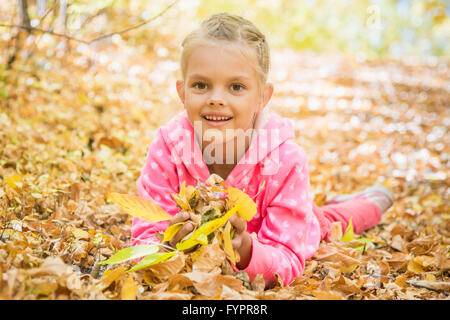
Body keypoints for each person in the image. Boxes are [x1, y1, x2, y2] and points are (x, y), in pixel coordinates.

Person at [131, 12, 395, 287]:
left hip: (294, 227)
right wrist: (167, 250)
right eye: (201, 85)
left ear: (262, 97)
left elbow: (289, 258)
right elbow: (144, 238)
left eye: (236, 87)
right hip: (281, 214)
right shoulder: (168, 149)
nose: (216, 99)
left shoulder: (285, 160)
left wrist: (246, 252)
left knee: (330, 221)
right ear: (182, 91)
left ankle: (373, 201)